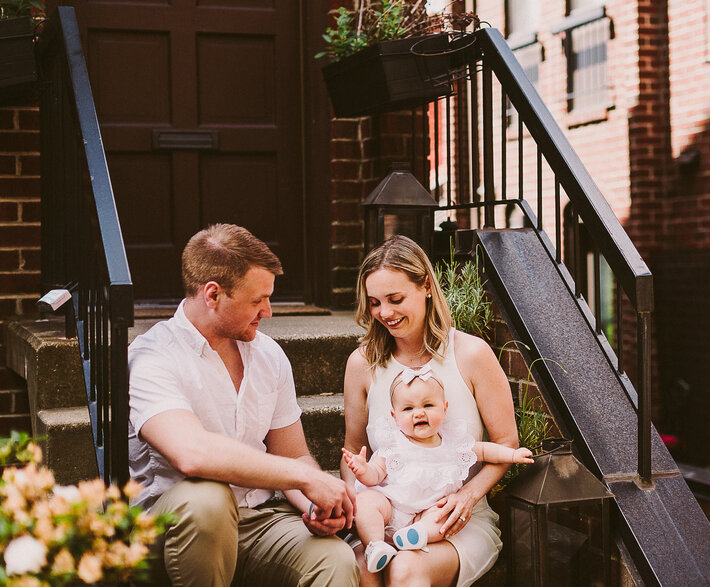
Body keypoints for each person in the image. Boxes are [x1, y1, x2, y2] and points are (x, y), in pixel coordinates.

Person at [128, 223, 359, 587]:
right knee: (209, 498)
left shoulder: (268, 354)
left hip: (257, 518)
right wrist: (307, 478)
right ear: (213, 294)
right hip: (176, 525)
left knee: (336, 559)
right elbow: (192, 454)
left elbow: (293, 454)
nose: (267, 311)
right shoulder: (152, 358)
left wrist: (313, 505)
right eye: (257, 300)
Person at [342, 235, 520, 587]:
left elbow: (507, 442)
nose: (385, 313)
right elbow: (353, 449)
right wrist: (364, 510)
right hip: (387, 515)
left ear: (425, 286)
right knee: (362, 568)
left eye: (395, 299)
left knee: (407, 568)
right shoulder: (361, 364)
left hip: (454, 520)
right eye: (375, 303)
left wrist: (467, 496)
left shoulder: (471, 354)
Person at [342, 368, 533, 574]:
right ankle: (376, 545)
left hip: (426, 513)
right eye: (408, 409)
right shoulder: (393, 445)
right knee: (367, 501)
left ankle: (417, 535)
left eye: (428, 405)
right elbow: (375, 475)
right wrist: (362, 470)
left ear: (444, 409)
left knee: (443, 516)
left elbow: (485, 450)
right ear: (394, 416)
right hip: (389, 510)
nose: (419, 412)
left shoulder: (453, 443)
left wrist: (512, 455)